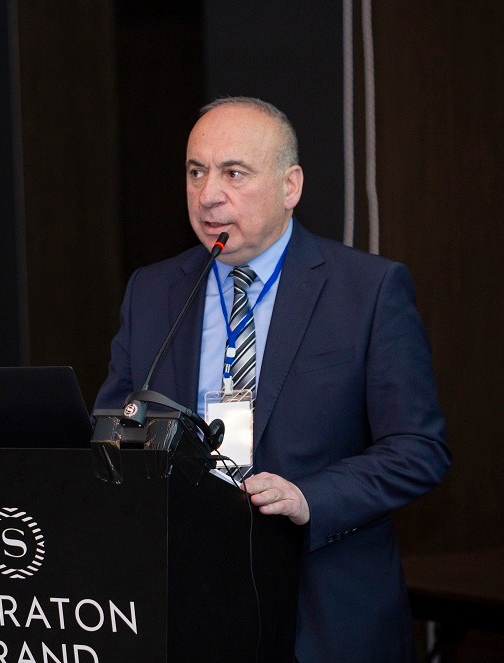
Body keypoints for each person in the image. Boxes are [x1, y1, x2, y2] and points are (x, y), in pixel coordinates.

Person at [94, 96, 451, 662]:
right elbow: (111, 432)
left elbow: (418, 449)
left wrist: (310, 497)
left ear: (291, 186)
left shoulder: (368, 291)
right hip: (187, 610)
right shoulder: (154, 292)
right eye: (196, 172)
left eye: (234, 173)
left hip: (324, 612)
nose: (208, 194)